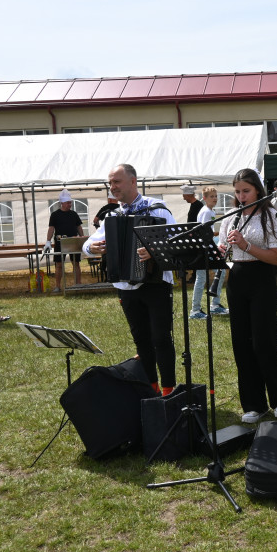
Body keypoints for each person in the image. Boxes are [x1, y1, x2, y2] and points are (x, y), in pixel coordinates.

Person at [83, 164, 178, 396]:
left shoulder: (157, 209)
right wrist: (92, 247)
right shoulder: (112, 216)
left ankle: (169, 390)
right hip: (126, 286)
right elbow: (87, 245)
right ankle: (151, 389)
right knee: (141, 340)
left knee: (161, 338)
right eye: (110, 182)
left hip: (155, 284)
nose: (112, 187)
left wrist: (154, 251)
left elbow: (176, 242)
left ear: (133, 181)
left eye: (117, 182)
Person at [218, 168, 277, 423]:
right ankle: (254, 404)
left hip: (262, 279)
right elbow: (226, 252)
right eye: (238, 191)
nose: (241, 196)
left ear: (257, 190)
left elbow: (276, 258)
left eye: (246, 191)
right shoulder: (231, 217)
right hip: (237, 279)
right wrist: (220, 250)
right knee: (241, 345)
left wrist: (246, 245)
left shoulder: (270, 216)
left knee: (263, 343)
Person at [190, 186, 229, 320]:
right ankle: (195, 310)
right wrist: (214, 248)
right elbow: (205, 233)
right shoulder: (206, 212)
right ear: (205, 198)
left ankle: (214, 305)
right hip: (203, 249)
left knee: (220, 271)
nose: (215, 199)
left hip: (206, 247)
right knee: (202, 278)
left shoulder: (209, 211)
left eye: (216, 196)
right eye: (211, 196)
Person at [46, 189, 84, 291]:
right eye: (68, 203)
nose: (69, 204)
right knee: (58, 265)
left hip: (73, 241)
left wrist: (82, 239)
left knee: (76, 263)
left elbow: (79, 227)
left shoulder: (74, 214)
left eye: (70, 202)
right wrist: (48, 241)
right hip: (60, 242)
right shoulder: (55, 215)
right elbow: (51, 228)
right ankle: (58, 286)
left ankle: (78, 284)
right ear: (62, 203)